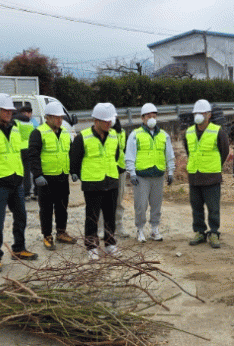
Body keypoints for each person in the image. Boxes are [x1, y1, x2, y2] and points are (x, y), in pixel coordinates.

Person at [0, 93, 38, 273]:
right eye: (5, 110)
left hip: (16, 181)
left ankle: (19, 248)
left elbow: (21, 150)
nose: (9, 113)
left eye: (10, 111)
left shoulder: (16, 128)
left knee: (21, 217)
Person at [69, 102, 121, 260]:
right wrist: (79, 175)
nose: (109, 124)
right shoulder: (83, 137)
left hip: (111, 181)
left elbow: (116, 156)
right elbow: (74, 160)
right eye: (106, 121)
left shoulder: (114, 135)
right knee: (92, 217)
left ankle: (110, 243)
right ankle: (91, 246)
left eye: (110, 121)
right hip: (92, 184)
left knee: (110, 216)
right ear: (96, 120)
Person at [28, 101, 77, 250]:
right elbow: (33, 155)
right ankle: (47, 235)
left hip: (62, 176)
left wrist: (74, 170)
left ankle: (61, 232)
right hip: (46, 179)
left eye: (61, 117)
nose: (59, 120)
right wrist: (37, 174)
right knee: (46, 208)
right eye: (56, 117)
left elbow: (70, 153)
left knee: (62, 207)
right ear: (47, 118)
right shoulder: (38, 133)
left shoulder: (65, 133)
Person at [124, 103, 175, 242]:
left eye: (154, 116)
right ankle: (140, 230)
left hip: (158, 175)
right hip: (141, 176)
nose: (151, 118)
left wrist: (171, 171)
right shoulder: (135, 134)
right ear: (142, 118)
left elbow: (169, 155)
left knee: (156, 205)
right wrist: (132, 173)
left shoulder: (164, 135)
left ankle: (154, 229)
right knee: (141, 205)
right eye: (148, 116)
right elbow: (130, 155)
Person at [184, 99, 229, 249]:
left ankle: (214, 232)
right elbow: (189, 151)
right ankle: (199, 232)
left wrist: (214, 165)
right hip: (194, 177)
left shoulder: (218, 131)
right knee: (196, 207)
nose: (199, 115)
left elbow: (224, 151)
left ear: (209, 115)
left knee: (213, 208)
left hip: (211, 177)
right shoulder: (189, 132)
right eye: (196, 113)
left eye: (202, 113)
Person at [97, 103, 128, 238]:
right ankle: (101, 228)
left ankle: (118, 226)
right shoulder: (100, 132)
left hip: (119, 170)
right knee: (102, 200)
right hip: (105, 170)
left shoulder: (122, 132)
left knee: (118, 201)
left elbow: (125, 150)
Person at [14, 104, 36, 200]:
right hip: (29, 148)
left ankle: (21, 192)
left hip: (20, 148)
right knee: (28, 172)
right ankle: (28, 193)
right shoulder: (30, 123)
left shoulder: (16, 122)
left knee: (20, 171)